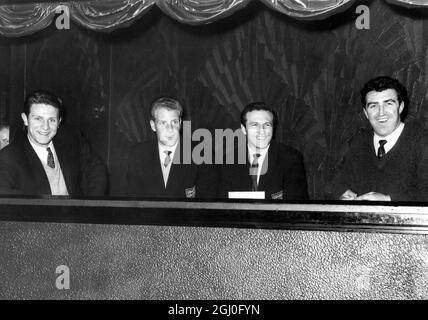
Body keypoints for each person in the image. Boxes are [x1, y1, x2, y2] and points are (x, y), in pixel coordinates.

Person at [329, 76, 428, 201]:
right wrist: (343, 194)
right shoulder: (358, 142)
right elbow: (336, 183)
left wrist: (387, 200)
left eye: (388, 104)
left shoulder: (422, 142)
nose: (381, 113)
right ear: (365, 112)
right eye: (373, 106)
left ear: (401, 107)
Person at [0, 90, 108, 196]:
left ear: (59, 121)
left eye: (52, 120)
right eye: (38, 119)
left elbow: (96, 168)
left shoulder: (72, 138)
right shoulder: (8, 158)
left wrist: (89, 206)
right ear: (25, 119)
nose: (45, 127)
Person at [217, 102, 308, 200]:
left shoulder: (291, 159)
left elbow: (296, 205)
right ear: (244, 129)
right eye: (254, 125)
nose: (261, 130)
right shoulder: (229, 160)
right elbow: (222, 204)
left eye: (267, 125)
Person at [125, 97, 205, 198]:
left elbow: (206, 204)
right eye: (163, 123)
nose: (170, 129)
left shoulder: (200, 153)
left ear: (180, 123)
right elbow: (133, 201)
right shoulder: (138, 154)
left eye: (174, 122)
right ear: (153, 125)